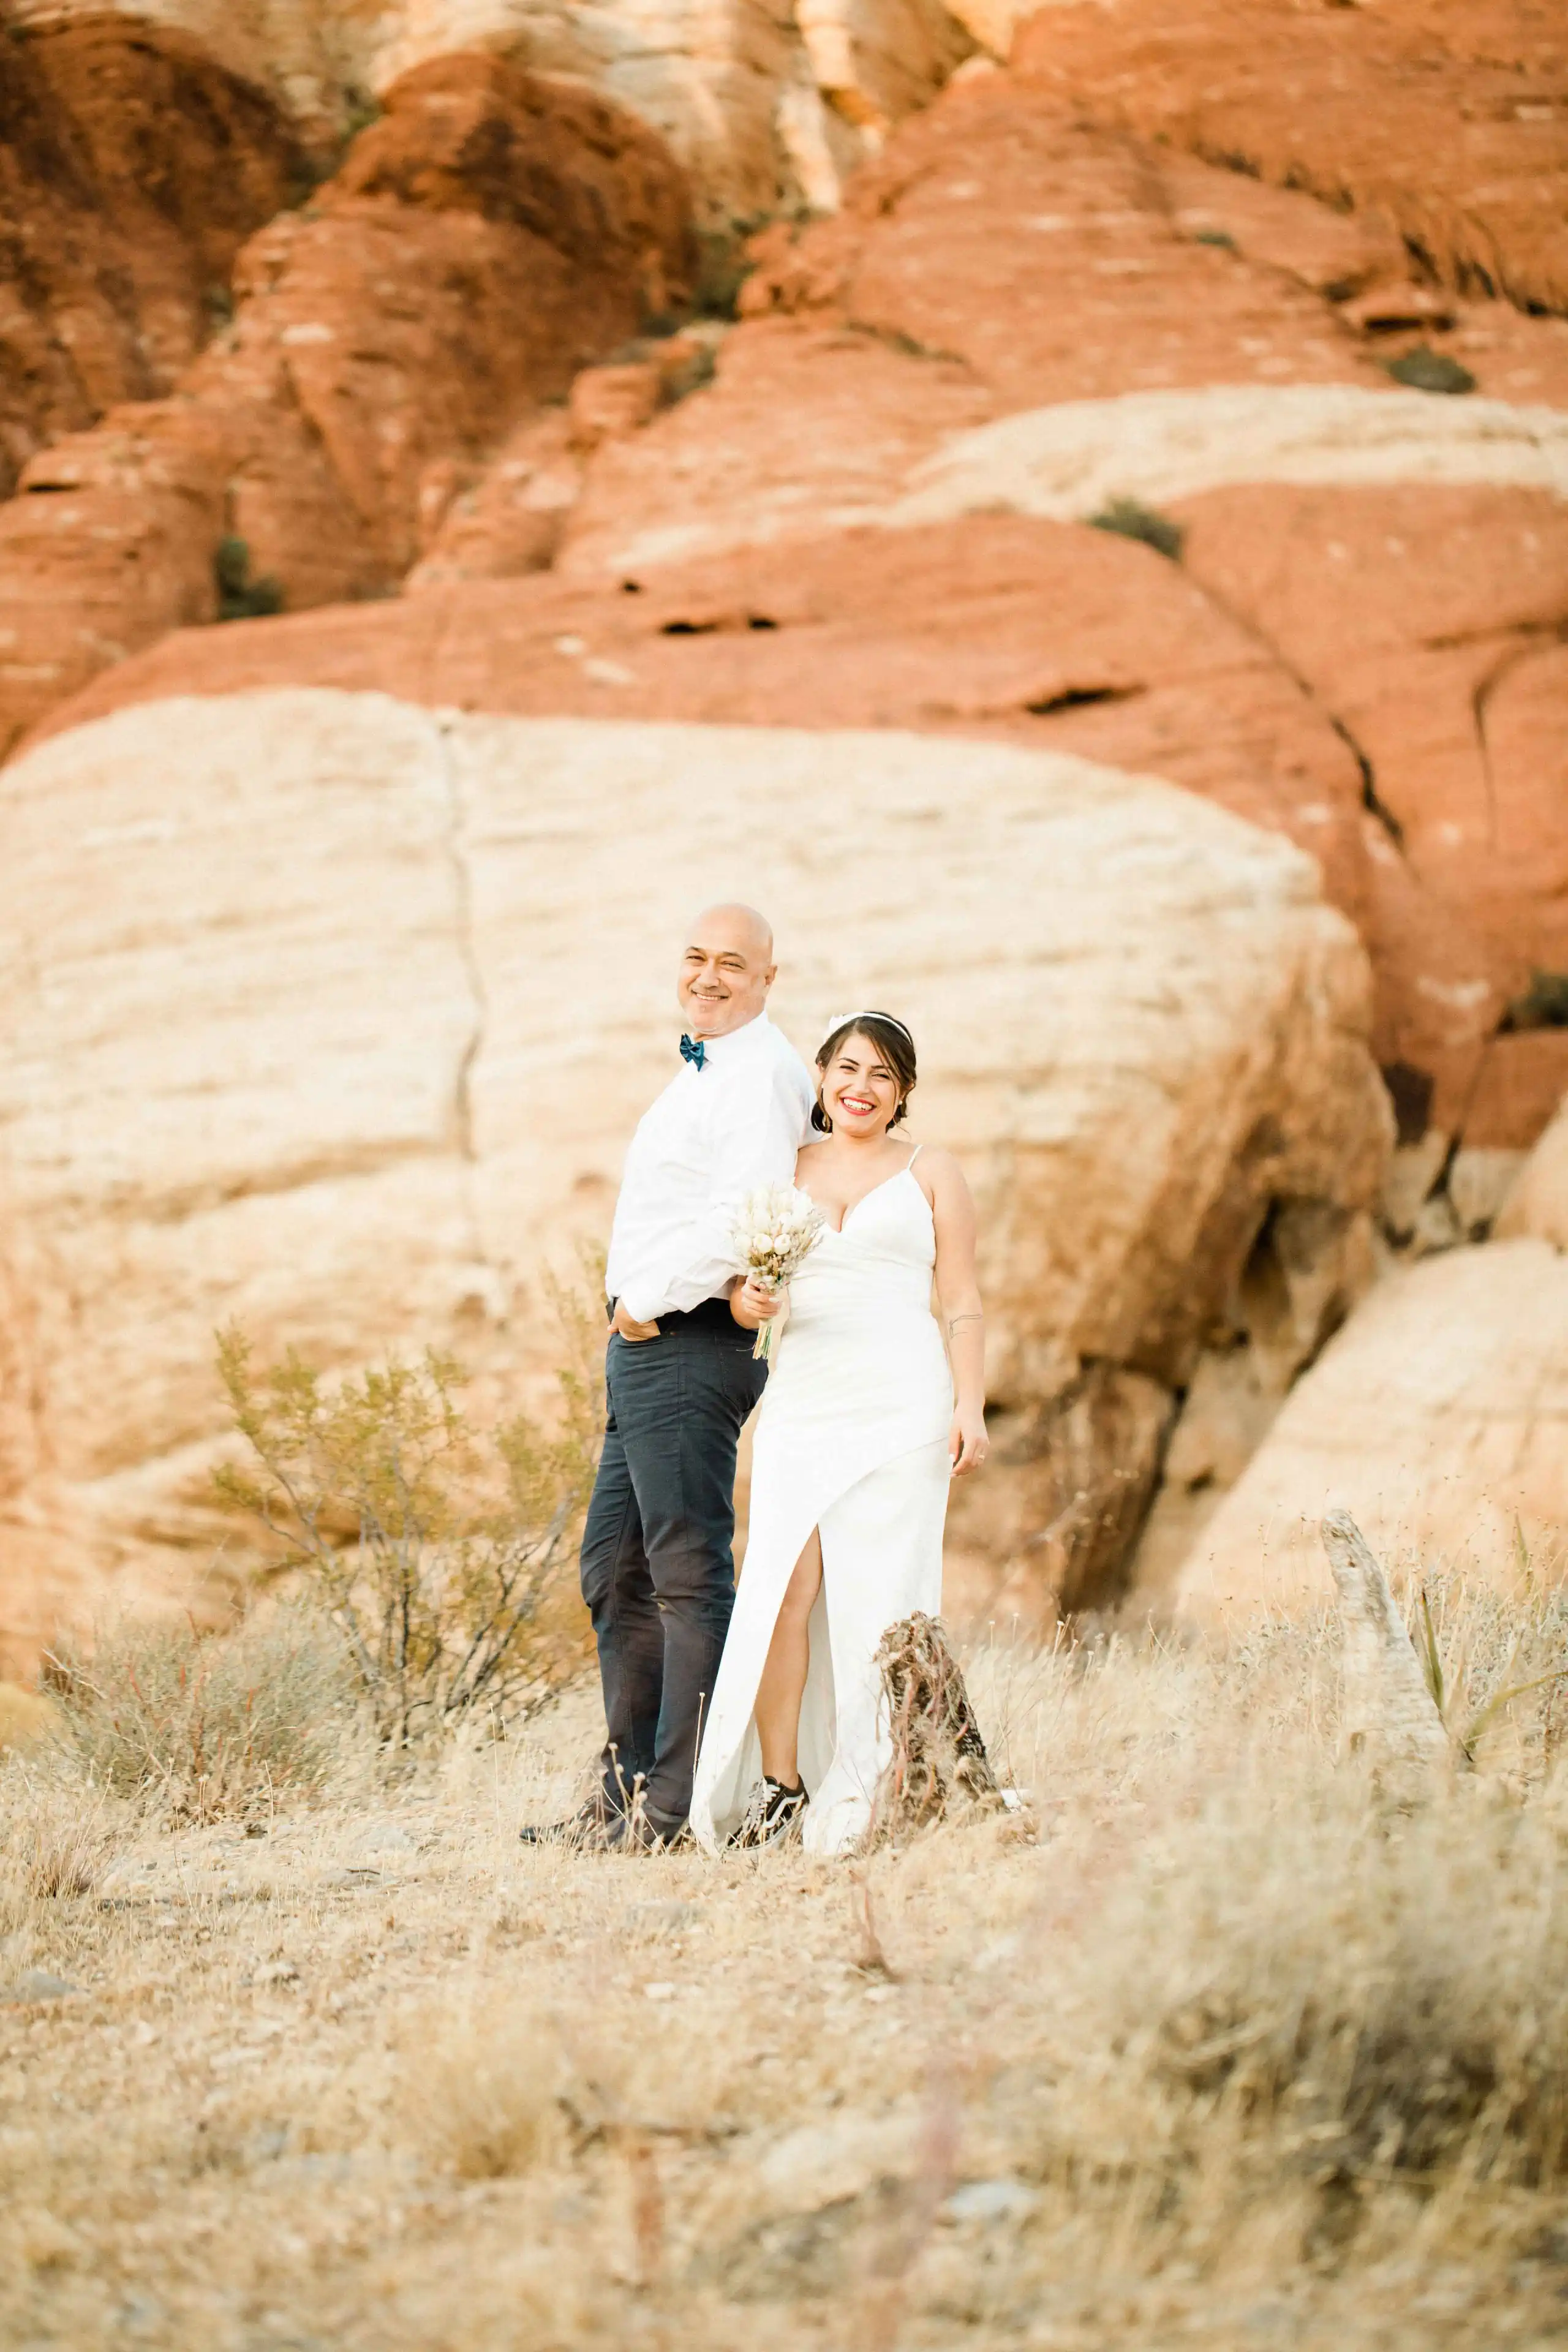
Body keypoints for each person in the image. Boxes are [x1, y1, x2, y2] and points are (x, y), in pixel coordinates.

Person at [521, 904, 813, 1850]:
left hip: (687, 1340)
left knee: (685, 1574)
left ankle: (674, 1810)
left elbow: (748, 1210)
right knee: (616, 1569)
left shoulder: (764, 1074)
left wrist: (648, 1296)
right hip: (645, 1344)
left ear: (769, 978)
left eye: (734, 963)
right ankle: (623, 1794)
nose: (709, 976)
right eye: (696, 958)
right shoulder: (703, 1066)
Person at [689, 1012, 987, 1857]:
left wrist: (969, 1405)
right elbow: (750, 1294)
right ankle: (781, 1787)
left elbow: (961, 1300)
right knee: (785, 1588)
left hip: (905, 1402)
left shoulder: (934, 1173)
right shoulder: (783, 1168)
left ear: (903, 1094)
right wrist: (754, 1304)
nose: (863, 1087)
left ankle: (882, 1781)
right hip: (807, 1397)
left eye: (884, 1076)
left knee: (884, 1596)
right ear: (821, 1077)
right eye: (849, 1068)